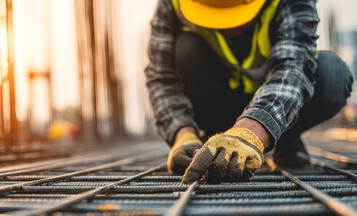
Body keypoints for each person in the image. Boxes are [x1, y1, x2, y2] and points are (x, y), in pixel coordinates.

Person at [145, 0, 354, 184]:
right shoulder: (173, 2)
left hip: (280, 111)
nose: (227, 25)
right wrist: (182, 133)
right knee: (184, 48)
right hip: (216, 106)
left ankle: (283, 139)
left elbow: (294, 68)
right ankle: (213, 142)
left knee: (332, 74)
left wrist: (250, 132)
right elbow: (162, 76)